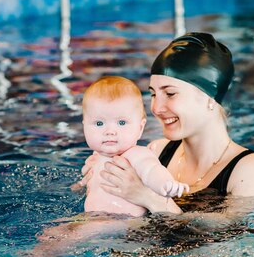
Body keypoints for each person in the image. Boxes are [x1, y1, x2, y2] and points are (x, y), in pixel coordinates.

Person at [81, 32, 254, 216]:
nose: (156, 108)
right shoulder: (157, 151)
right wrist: (95, 176)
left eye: (170, 93)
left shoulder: (251, 169)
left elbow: (235, 242)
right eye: (154, 94)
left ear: (210, 97)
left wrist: (148, 197)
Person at [81, 76, 188, 217]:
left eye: (122, 123)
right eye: (99, 123)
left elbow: (152, 170)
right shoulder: (95, 158)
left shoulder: (137, 155)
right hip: (95, 220)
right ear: (84, 126)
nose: (110, 131)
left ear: (140, 127)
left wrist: (167, 184)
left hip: (125, 223)